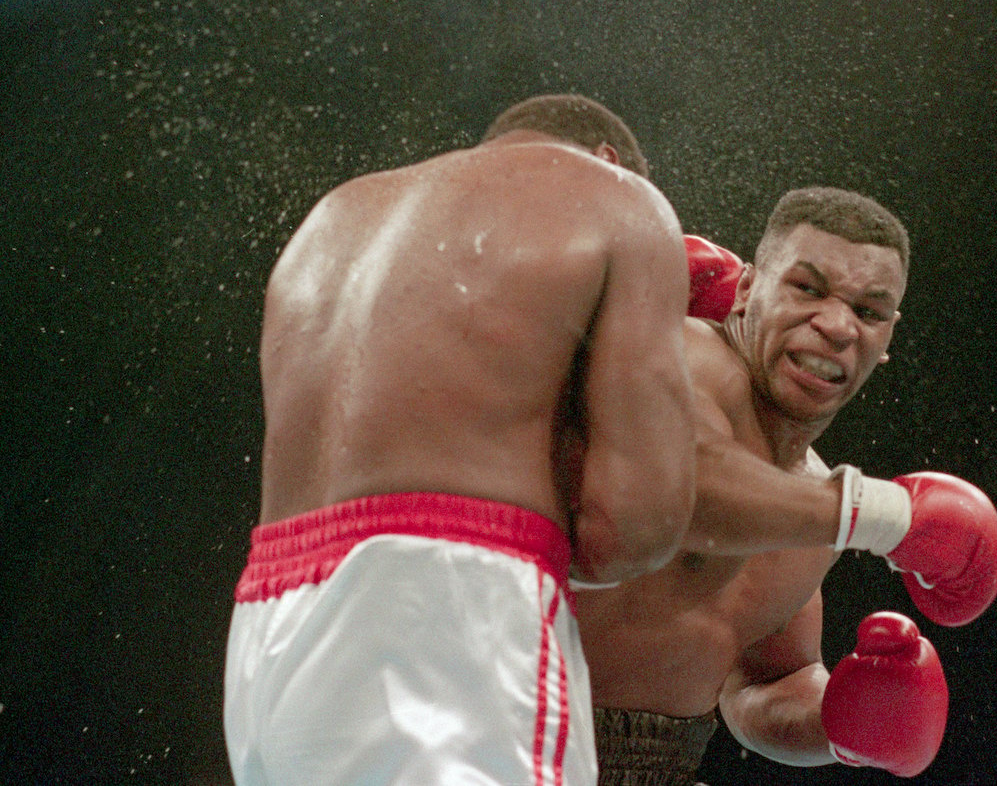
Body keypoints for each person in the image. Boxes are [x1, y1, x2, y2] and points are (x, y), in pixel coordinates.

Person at [223, 94, 698, 786]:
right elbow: (635, 526)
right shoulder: (619, 199)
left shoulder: (334, 215)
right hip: (447, 610)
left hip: (270, 625)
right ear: (611, 160)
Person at [576, 187, 997, 784]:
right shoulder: (676, 355)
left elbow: (763, 682)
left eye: (869, 311)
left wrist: (844, 727)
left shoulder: (813, 503)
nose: (837, 326)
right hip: (488, 743)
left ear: (887, 338)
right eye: (808, 288)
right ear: (749, 288)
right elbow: (679, 491)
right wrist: (887, 517)